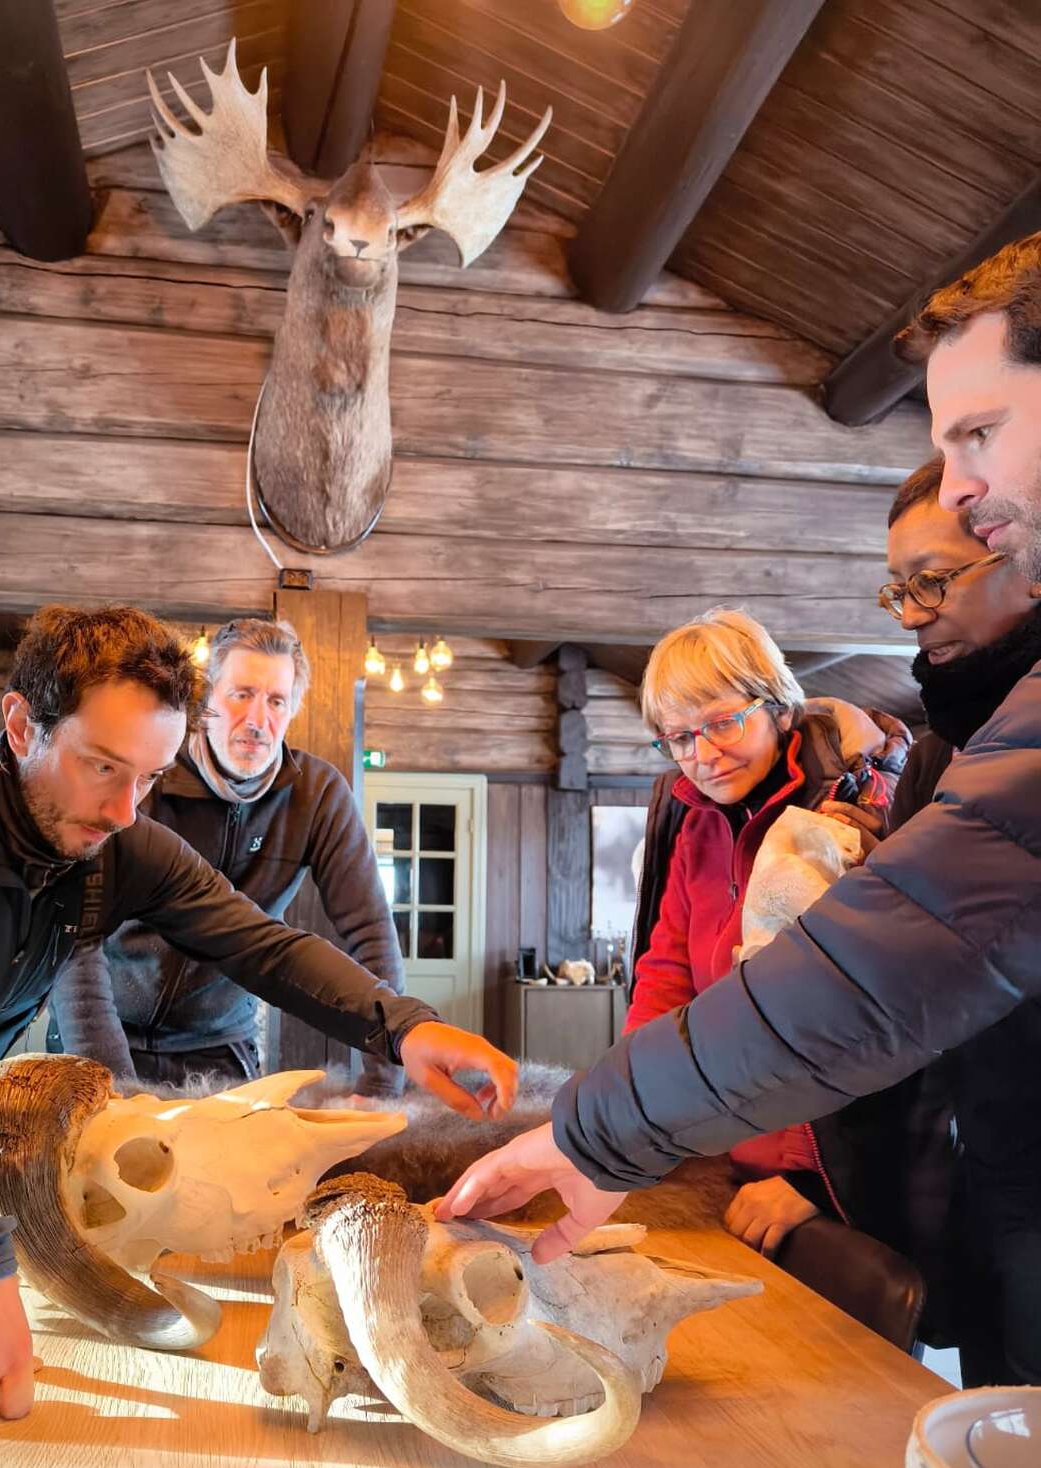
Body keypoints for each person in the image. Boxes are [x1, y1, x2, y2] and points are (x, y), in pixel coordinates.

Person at [438, 234, 1041, 1383]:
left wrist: (605, 1130)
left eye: (978, 434)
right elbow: (679, 960)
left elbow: (878, 973)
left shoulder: (861, 788)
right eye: (942, 445)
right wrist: (629, 1130)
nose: (962, 488)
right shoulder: (701, 810)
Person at [0, 606, 516, 1430]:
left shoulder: (116, 842)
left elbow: (258, 942)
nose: (127, 810)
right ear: (21, 723)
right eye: (102, 767)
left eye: (150, 779)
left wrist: (401, 1025)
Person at [624, 608, 909, 1254]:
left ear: (779, 707)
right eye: (679, 737)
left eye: (722, 722)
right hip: (720, 1156)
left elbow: (885, 1022)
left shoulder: (852, 814)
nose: (703, 754)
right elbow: (664, 979)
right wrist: (632, 1110)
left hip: (822, 1173)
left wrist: (815, 1181)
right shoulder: (695, 827)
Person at [49, 617, 405, 1098]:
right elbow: (77, 936)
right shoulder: (147, 777)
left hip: (219, 1048)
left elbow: (371, 934)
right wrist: (112, 1087)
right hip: (104, 1034)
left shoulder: (316, 795)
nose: (257, 720)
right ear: (207, 698)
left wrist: (383, 1080)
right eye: (242, 694)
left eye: (276, 701)